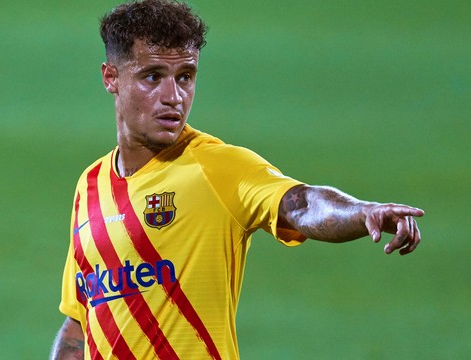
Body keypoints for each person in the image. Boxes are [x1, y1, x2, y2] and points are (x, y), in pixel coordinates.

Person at [50, 0, 424, 359]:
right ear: (111, 78)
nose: (174, 96)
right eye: (153, 77)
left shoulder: (217, 167)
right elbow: (79, 323)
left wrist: (362, 213)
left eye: (186, 76)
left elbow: (302, 204)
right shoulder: (90, 185)